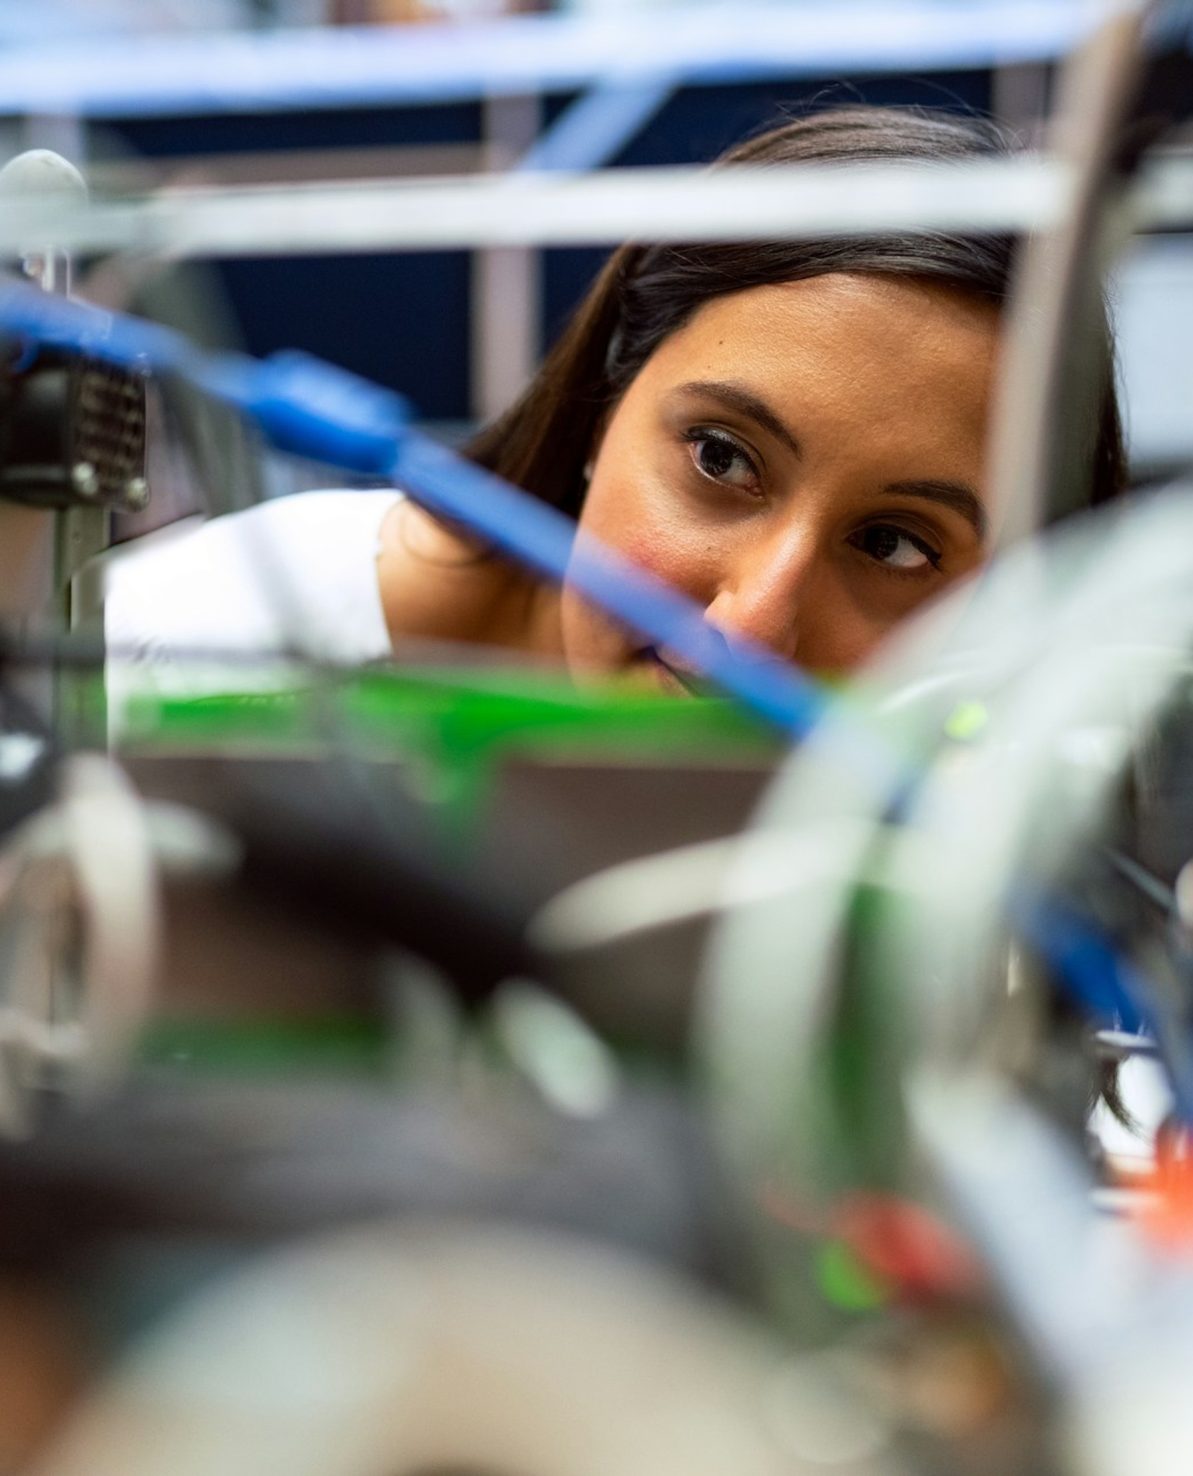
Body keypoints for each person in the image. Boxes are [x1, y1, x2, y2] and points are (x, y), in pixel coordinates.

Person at [105, 104, 1126, 700]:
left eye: (892, 545)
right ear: (604, 401)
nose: (747, 630)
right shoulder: (182, 658)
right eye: (720, 459)